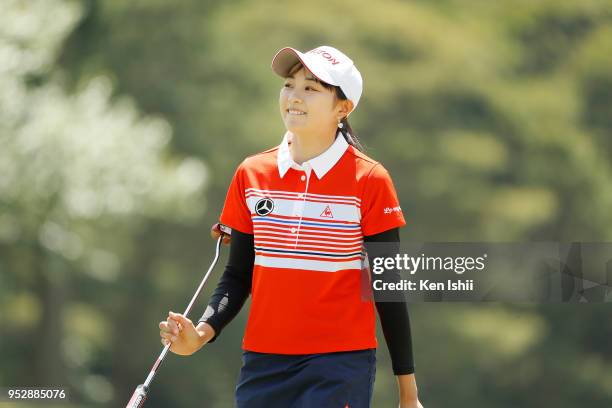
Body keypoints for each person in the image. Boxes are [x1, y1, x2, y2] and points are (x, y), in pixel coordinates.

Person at [159, 45, 423, 408]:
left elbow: (388, 289)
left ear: (343, 108)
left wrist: (408, 394)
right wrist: (200, 334)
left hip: (339, 364)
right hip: (263, 364)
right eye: (289, 84)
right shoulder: (251, 173)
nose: (294, 97)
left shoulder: (370, 180)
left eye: (311, 88)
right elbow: (238, 275)